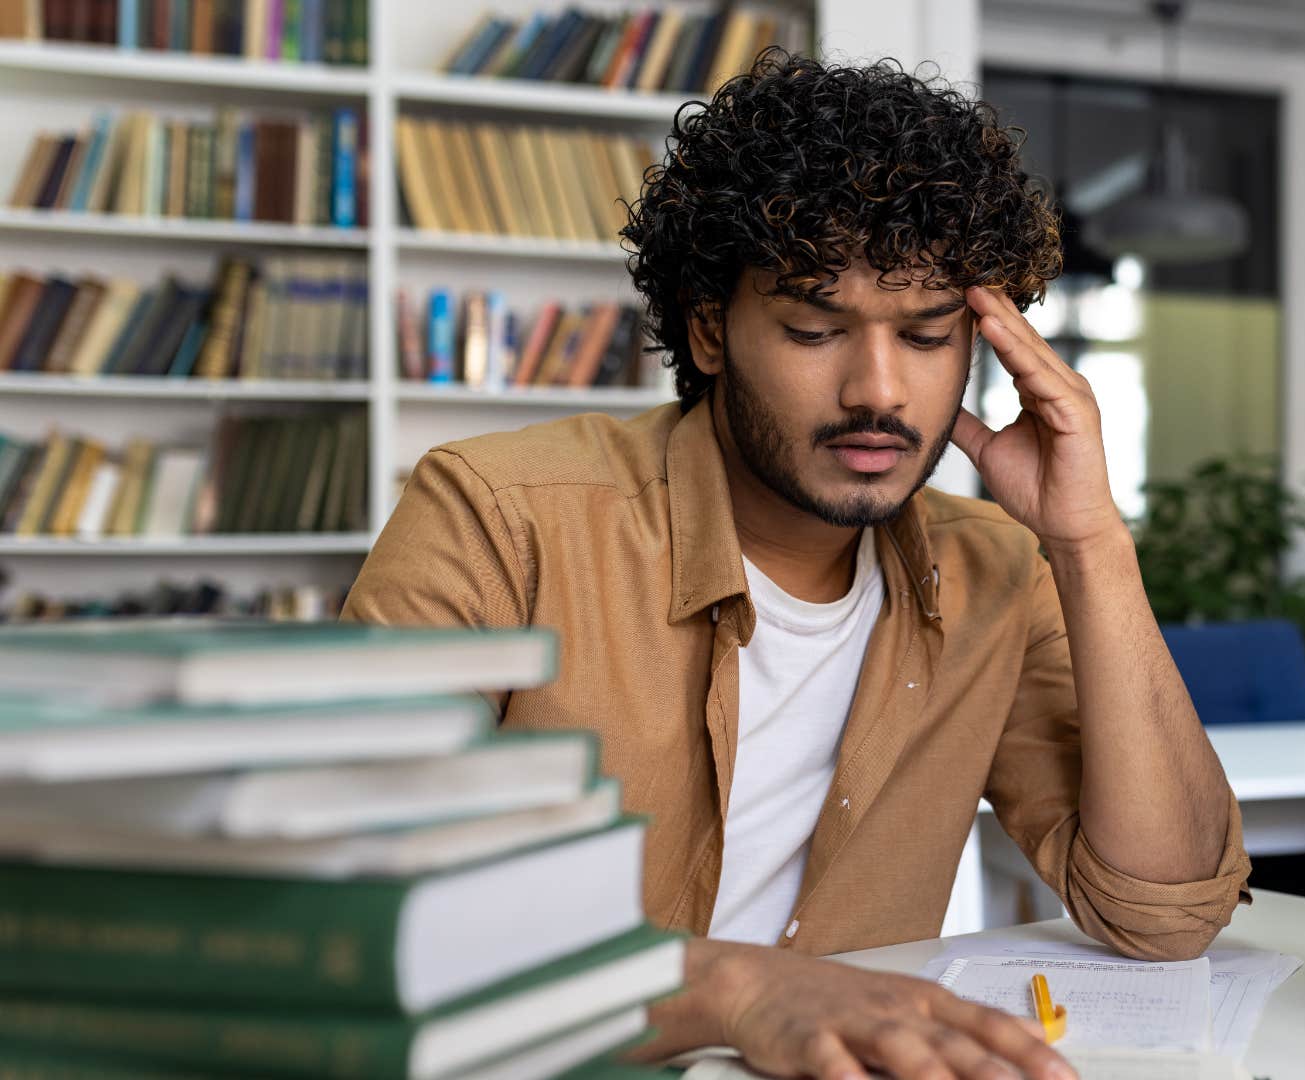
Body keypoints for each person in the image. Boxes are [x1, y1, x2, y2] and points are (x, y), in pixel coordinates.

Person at [343, 50, 1249, 1080]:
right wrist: (733, 989)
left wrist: (1091, 545)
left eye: (925, 333)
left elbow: (1165, 914)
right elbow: (357, 912)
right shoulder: (498, 518)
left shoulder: (994, 567)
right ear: (711, 331)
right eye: (816, 328)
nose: (878, 390)